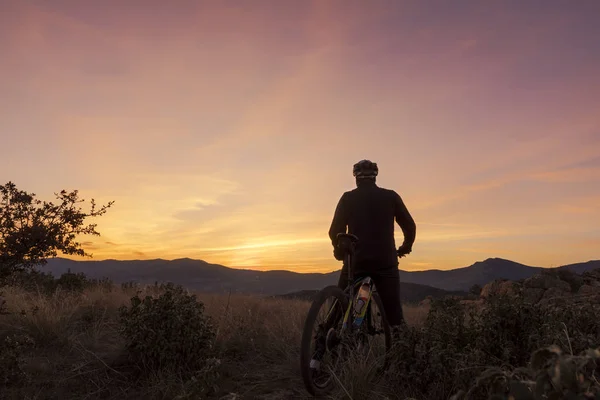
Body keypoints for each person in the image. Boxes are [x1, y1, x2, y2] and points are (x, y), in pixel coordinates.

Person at [328, 159, 416, 337]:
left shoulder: (348, 198)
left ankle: (322, 343)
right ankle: (401, 354)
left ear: (356, 178)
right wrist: (405, 247)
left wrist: (339, 252)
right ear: (375, 177)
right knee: (395, 316)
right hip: (385, 261)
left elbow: (334, 231)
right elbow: (410, 226)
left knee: (340, 303)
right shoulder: (391, 196)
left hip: (356, 260)